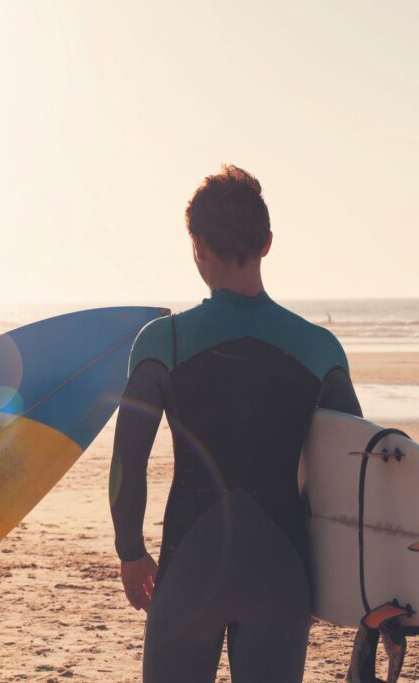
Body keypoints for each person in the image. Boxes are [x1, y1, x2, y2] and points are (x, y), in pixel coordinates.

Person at [108, 165, 362, 683]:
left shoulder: (161, 342)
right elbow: (356, 474)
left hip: (189, 567)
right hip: (283, 571)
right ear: (267, 243)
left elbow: (127, 461)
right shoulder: (320, 349)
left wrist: (131, 552)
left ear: (197, 245)